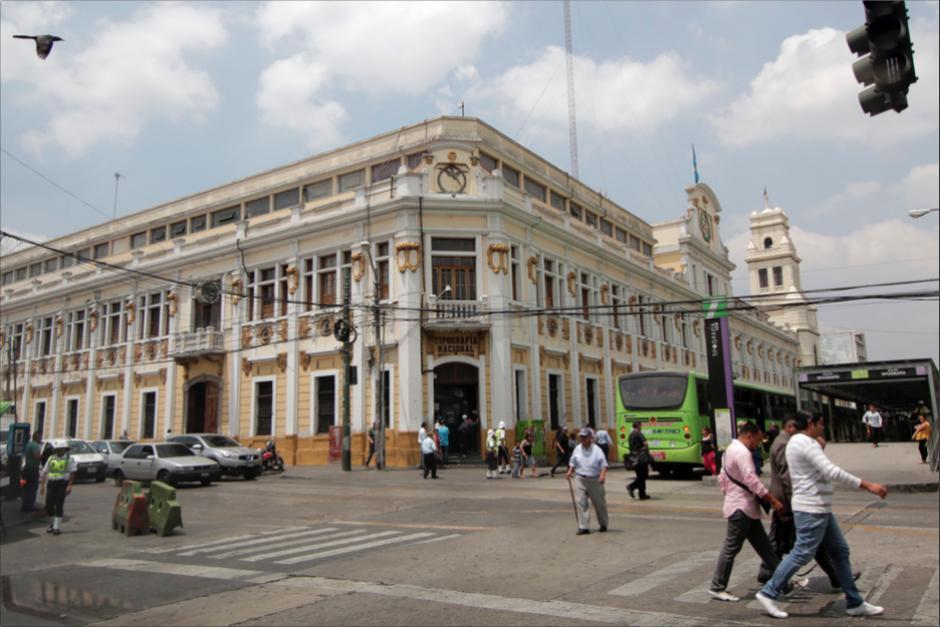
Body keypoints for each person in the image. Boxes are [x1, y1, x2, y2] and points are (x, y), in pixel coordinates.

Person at [755, 412, 888, 619]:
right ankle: (768, 592)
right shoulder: (804, 442)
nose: (823, 428)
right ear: (811, 423)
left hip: (820, 508)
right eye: (821, 424)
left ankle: (854, 602)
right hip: (811, 508)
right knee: (803, 552)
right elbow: (831, 471)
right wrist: (868, 485)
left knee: (840, 551)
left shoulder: (802, 442)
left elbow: (817, 470)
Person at [709, 421, 797, 602]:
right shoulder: (742, 452)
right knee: (731, 548)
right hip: (741, 508)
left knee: (766, 549)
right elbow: (751, 480)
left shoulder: (729, 450)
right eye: (757, 440)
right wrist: (772, 499)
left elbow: (722, 477)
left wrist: (730, 494)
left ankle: (784, 583)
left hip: (744, 507)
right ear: (750, 435)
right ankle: (717, 586)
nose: (757, 445)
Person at [759, 417, 845, 589]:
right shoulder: (784, 444)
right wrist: (796, 500)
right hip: (787, 501)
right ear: (790, 427)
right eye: (797, 428)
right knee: (793, 543)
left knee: (795, 541)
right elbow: (787, 477)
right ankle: (769, 576)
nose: (800, 432)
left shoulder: (782, 441)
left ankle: (838, 576)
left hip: (787, 501)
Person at [566, 427, 609, 535]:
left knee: (599, 504)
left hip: (594, 479)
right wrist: (570, 472)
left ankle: (603, 524)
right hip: (580, 478)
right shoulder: (577, 449)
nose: (582, 438)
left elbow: (604, 465)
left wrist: (602, 476)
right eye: (581, 436)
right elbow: (573, 462)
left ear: (590, 437)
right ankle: (584, 527)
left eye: (585, 436)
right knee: (581, 502)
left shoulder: (597, 450)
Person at [40, 442, 76, 535]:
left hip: (62, 484)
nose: (60, 451)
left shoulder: (69, 459)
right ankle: (52, 524)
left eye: (62, 449)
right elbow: (45, 472)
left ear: (65, 450)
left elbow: (72, 473)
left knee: (59, 504)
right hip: (51, 483)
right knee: (49, 505)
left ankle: (56, 527)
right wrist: (42, 486)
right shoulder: (51, 458)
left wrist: (69, 486)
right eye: (58, 449)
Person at [626, 422, 650, 500]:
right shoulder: (639, 433)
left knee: (640, 475)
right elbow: (645, 443)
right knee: (644, 475)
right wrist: (647, 451)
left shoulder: (631, 435)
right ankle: (631, 486)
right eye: (640, 425)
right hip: (640, 458)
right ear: (639, 426)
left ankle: (642, 494)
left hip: (633, 458)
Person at [21, 430, 43, 512]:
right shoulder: (35, 446)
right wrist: (43, 456)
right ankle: (30, 506)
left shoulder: (28, 445)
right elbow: (36, 456)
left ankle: (25, 505)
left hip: (26, 468)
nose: (41, 439)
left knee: (26, 488)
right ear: (37, 437)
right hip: (33, 469)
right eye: (40, 437)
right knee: (33, 488)